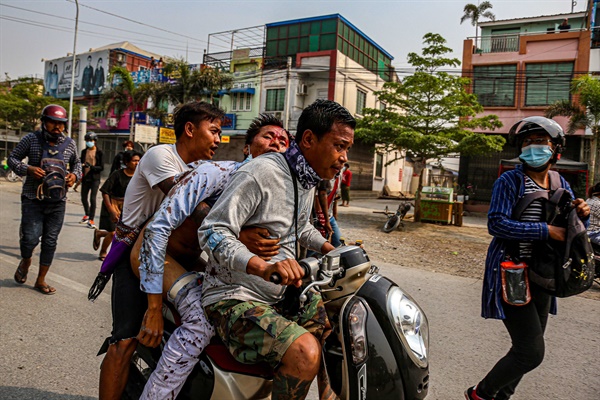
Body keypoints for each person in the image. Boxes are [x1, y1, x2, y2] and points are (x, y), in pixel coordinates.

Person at [199, 99, 354, 400]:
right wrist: (264, 267)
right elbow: (212, 231)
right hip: (233, 298)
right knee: (305, 353)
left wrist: (332, 249)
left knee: (339, 326)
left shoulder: (306, 178)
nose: (344, 157)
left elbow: (299, 228)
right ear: (309, 139)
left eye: (346, 149)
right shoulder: (260, 173)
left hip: (282, 294)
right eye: (339, 146)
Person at [133, 114, 291, 399]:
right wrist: (154, 308)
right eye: (268, 136)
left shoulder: (278, 194)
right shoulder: (214, 172)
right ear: (247, 147)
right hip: (156, 251)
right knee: (200, 323)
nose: (276, 144)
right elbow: (158, 230)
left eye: (283, 141)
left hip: (196, 260)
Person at [96, 101, 223, 400]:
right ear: (190, 129)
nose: (218, 139)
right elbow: (193, 205)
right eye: (214, 131)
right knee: (125, 340)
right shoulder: (160, 156)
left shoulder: (199, 168)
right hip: (136, 254)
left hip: (175, 255)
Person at [465, 116, 590, 400]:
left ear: (556, 149)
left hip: (544, 273)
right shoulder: (510, 180)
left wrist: (581, 212)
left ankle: (501, 396)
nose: (533, 147)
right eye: (527, 142)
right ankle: (480, 394)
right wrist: (546, 231)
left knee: (525, 349)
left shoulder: (561, 182)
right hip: (513, 274)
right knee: (530, 352)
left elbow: (570, 225)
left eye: (540, 142)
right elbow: (496, 224)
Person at [8, 104, 82, 295]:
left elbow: (78, 165)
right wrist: (28, 170)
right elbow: (12, 159)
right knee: (30, 239)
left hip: (58, 201)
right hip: (33, 198)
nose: (57, 127)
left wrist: (74, 176)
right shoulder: (31, 139)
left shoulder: (70, 144)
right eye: (53, 123)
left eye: (61, 124)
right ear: (44, 122)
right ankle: (26, 260)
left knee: (50, 241)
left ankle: (40, 280)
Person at [93, 150, 142, 261]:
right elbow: (105, 191)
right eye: (134, 161)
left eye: (139, 161)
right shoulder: (117, 174)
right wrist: (110, 209)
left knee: (124, 232)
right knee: (113, 232)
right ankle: (103, 251)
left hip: (127, 207)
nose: (137, 163)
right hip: (112, 204)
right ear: (127, 162)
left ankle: (100, 233)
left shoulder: (140, 177)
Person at [79, 132, 103, 229]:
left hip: (95, 178)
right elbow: (81, 163)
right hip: (85, 177)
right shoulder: (84, 151)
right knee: (83, 197)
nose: (89, 142)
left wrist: (92, 167)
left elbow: (101, 167)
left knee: (92, 198)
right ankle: (87, 214)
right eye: (87, 141)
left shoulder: (99, 152)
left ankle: (91, 219)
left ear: (95, 141)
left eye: (91, 141)